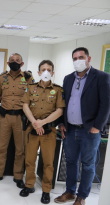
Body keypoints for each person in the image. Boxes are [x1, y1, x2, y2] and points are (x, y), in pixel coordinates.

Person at [54, 47, 110, 205]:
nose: (77, 61)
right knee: (70, 162)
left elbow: (106, 105)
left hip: (89, 130)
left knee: (87, 164)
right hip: (70, 129)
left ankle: (82, 196)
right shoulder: (68, 78)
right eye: (74, 58)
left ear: (88, 58)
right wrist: (62, 123)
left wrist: (98, 126)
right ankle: (70, 191)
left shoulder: (101, 77)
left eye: (81, 57)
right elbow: (63, 103)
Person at [20, 60, 65, 204]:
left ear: (53, 73)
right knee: (29, 160)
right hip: (31, 129)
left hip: (49, 131)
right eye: (43, 69)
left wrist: (42, 123)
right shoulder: (30, 87)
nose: (46, 72)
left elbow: (60, 110)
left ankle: (46, 190)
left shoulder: (58, 90)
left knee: (48, 162)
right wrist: (34, 122)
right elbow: (25, 106)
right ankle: (29, 185)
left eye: (49, 69)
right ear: (39, 72)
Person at [0, 53, 34, 188]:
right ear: (8, 63)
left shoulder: (28, 78)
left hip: (20, 118)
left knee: (20, 149)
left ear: (22, 63)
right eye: (12, 61)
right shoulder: (2, 78)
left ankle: (18, 176)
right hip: (5, 117)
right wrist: (1, 107)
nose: (14, 62)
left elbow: (32, 96)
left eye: (17, 60)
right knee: (2, 147)